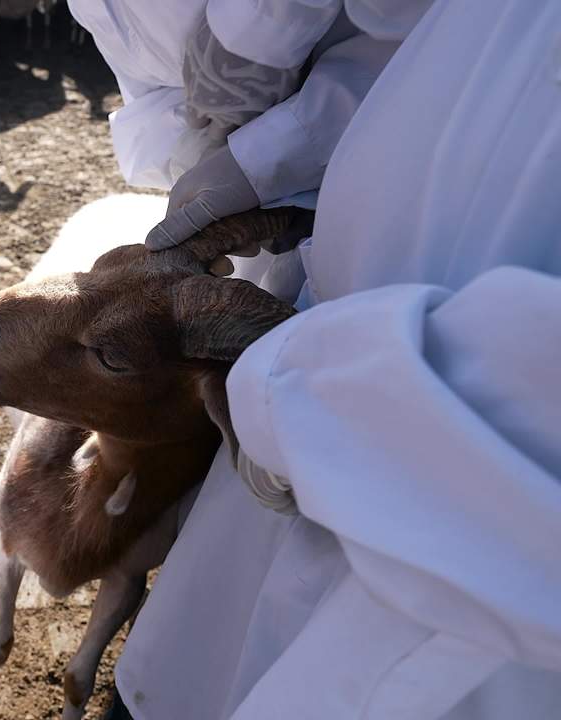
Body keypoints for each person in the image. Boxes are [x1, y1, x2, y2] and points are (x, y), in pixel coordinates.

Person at [113, 0, 561, 717]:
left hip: (439, 586)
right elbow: (436, 59)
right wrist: (269, 159)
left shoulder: (296, 388)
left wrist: (283, 390)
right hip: (323, 380)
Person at [69, 0, 402, 297]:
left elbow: (416, 55)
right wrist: (195, 153)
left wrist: (271, 155)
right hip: (263, 192)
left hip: (387, 174)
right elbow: (143, 66)